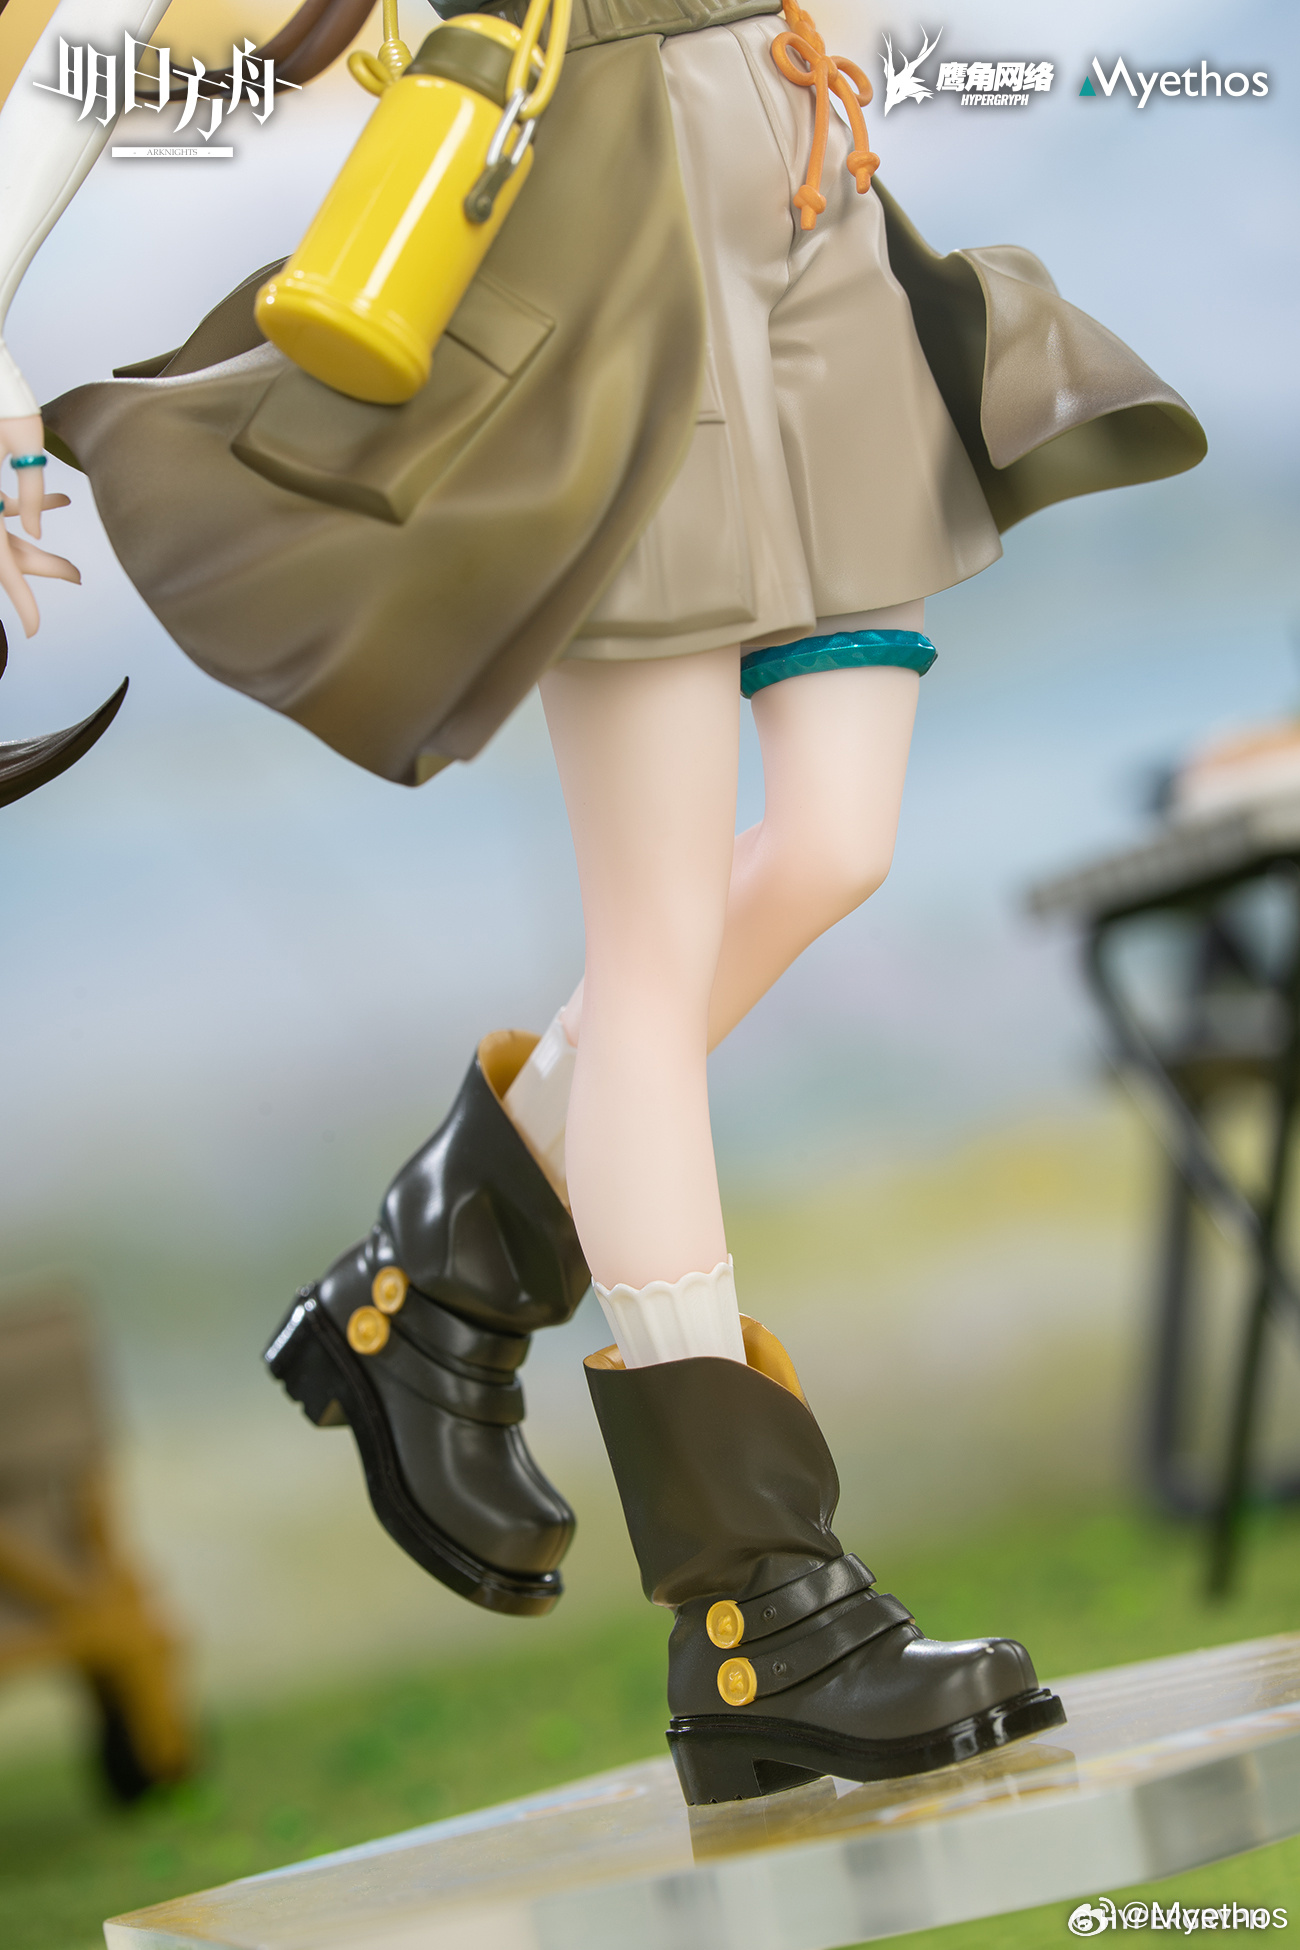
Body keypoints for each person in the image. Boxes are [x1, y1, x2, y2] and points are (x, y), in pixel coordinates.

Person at [0, 0, 1203, 1802]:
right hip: (607, 223)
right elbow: (99, 30)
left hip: (807, 190)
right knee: (656, 945)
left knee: (835, 840)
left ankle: (439, 1263)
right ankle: (758, 1608)